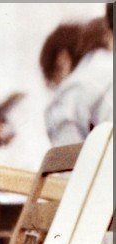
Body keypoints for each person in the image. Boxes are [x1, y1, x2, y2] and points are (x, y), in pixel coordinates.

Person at [39, 7, 113, 146]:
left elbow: (67, 162)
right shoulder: (107, 64)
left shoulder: (71, 91)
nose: (57, 88)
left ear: (62, 60)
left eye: (54, 82)